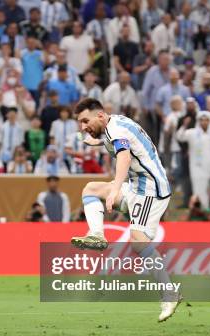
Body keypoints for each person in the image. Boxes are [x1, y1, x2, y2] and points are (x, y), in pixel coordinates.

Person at [69, 98, 180, 322]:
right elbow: (98, 141)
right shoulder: (113, 124)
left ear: (100, 115)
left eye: (85, 121)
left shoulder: (116, 130)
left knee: (138, 242)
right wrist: (81, 137)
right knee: (90, 189)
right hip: (137, 187)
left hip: (150, 191)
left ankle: (170, 293)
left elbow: (124, 157)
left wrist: (114, 190)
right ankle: (97, 235)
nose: (83, 127)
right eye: (79, 123)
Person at [177, 111, 210, 207]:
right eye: (202, 120)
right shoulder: (192, 133)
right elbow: (180, 137)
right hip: (198, 167)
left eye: (206, 120)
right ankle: (203, 210)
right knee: (199, 189)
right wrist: (184, 126)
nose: (204, 122)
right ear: (198, 121)